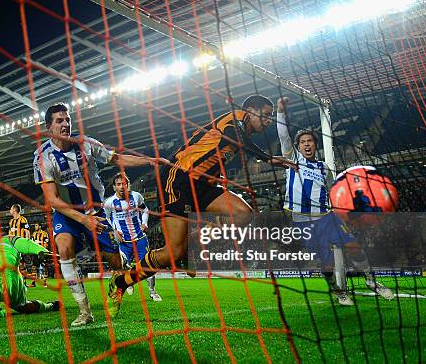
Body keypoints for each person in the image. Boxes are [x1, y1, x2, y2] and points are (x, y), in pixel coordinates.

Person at [107, 95, 298, 317]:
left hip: (204, 184)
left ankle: (193, 243)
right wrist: (268, 158)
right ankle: (121, 282)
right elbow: (232, 135)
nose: (268, 121)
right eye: (265, 115)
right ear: (249, 111)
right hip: (178, 179)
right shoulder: (233, 121)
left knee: (244, 214)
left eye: (270, 116)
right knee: (172, 252)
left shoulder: (241, 130)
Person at [33, 102, 166, 326]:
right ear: (49, 128)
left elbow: (117, 159)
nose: (66, 124)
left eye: (68, 119)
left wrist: (149, 161)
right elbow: (52, 198)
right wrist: (84, 220)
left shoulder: (86, 144)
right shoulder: (42, 157)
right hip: (67, 214)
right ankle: (85, 311)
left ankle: (119, 281)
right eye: (59, 121)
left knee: (116, 263)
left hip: (96, 211)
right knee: (64, 248)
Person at [275, 97, 393, 305]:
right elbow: (283, 136)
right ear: (298, 146)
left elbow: (333, 192)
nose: (306, 144)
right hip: (302, 221)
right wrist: (280, 112)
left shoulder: (324, 168)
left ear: (315, 144)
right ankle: (338, 292)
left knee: (354, 246)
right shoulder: (293, 160)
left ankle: (372, 282)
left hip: (326, 216)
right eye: (302, 142)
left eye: (310, 141)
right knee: (326, 262)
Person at [104, 173, 162, 302]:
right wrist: (115, 231)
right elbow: (108, 218)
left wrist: (144, 223)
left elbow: (145, 210)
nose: (121, 187)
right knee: (124, 267)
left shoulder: (136, 196)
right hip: (124, 242)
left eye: (124, 184)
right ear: (114, 187)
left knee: (148, 266)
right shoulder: (109, 203)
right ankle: (128, 283)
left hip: (140, 238)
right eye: (118, 184)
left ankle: (152, 292)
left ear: (128, 185)